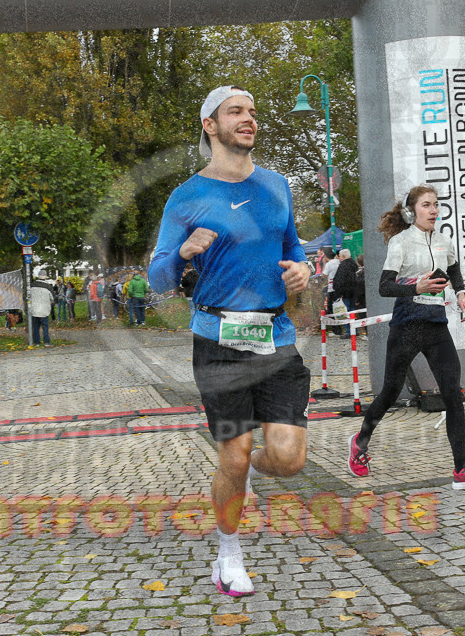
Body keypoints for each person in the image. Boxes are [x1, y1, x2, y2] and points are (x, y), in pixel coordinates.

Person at [149, 85, 311, 597]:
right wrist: (181, 255)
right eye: (235, 111)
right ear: (209, 125)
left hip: (275, 334)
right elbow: (156, 277)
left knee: (287, 460)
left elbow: (293, 248)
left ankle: (241, 476)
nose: (248, 119)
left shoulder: (277, 186)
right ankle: (228, 551)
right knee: (234, 458)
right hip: (219, 338)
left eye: (252, 111)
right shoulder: (186, 196)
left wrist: (300, 271)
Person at [346, 185, 465, 493]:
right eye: (427, 205)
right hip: (408, 324)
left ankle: (461, 470)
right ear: (414, 211)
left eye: (436, 205)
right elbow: (385, 287)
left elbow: (453, 269)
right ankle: (360, 441)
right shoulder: (401, 242)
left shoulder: (443, 241)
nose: (434, 210)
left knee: (453, 392)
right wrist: (417, 288)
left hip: (436, 325)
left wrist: (461, 292)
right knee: (389, 392)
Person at [29, 279, 54, 347]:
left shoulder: (31, 287)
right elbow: (52, 299)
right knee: (45, 327)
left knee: (36, 327)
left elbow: (28, 297)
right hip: (44, 311)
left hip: (34, 310)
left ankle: (37, 342)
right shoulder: (48, 288)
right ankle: (46, 342)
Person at [332, 248, 357, 314]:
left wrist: (339, 292)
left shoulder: (343, 266)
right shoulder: (354, 265)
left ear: (343, 256)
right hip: (353, 292)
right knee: (352, 312)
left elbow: (339, 280)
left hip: (345, 294)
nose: (339, 258)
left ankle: (347, 324)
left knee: (346, 313)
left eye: (339, 256)